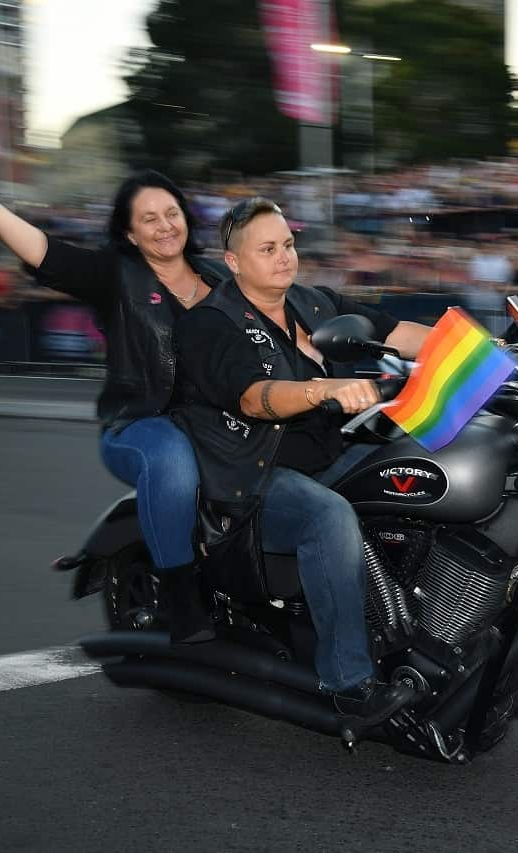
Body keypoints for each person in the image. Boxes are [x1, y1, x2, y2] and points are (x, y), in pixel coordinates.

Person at [0, 162, 228, 644]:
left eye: (171, 213)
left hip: (219, 424)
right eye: (148, 218)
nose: (164, 225)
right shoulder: (114, 274)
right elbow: (46, 255)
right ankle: (180, 592)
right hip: (141, 424)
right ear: (129, 234)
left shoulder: (218, 277)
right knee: (173, 463)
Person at [172, 197, 430, 723]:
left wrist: (488, 348)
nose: (284, 256)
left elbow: (397, 333)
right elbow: (252, 397)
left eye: (288, 244)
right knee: (326, 515)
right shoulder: (210, 323)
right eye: (267, 248)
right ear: (234, 262)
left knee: (422, 465)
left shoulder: (314, 303)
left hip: (329, 455)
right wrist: (322, 389)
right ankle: (348, 681)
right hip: (250, 476)